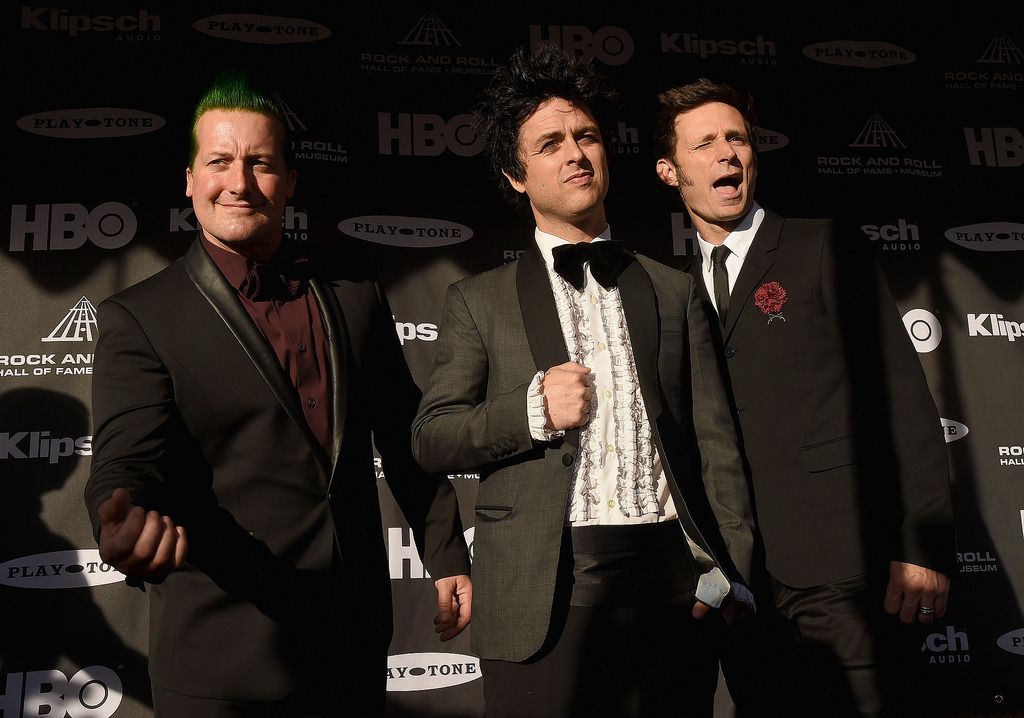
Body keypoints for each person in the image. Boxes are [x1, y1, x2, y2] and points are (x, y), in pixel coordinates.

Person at [84, 69, 472, 718]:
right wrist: (118, 518)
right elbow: (126, 464)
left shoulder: (351, 289)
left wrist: (445, 553)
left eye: (260, 163)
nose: (238, 182)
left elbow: (402, 434)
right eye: (219, 161)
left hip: (349, 646)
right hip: (221, 662)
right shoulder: (141, 318)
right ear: (189, 180)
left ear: (290, 182)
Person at [411, 44, 755, 718]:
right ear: (516, 174)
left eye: (586, 136)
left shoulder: (672, 290)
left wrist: (724, 571)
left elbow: (718, 447)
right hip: (544, 587)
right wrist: (531, 409)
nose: (575, 153)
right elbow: (432, 437)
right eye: (550, 144)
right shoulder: (478, 300)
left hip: (670, 584)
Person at [653, 78, 955, 717]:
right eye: (704, 143)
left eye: (736, 139)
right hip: (743, 586)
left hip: (845, 565)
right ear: (669, 171)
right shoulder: (673, 292)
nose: (727, 155)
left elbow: (904, 398)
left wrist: (921, 546)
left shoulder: (821, 245)